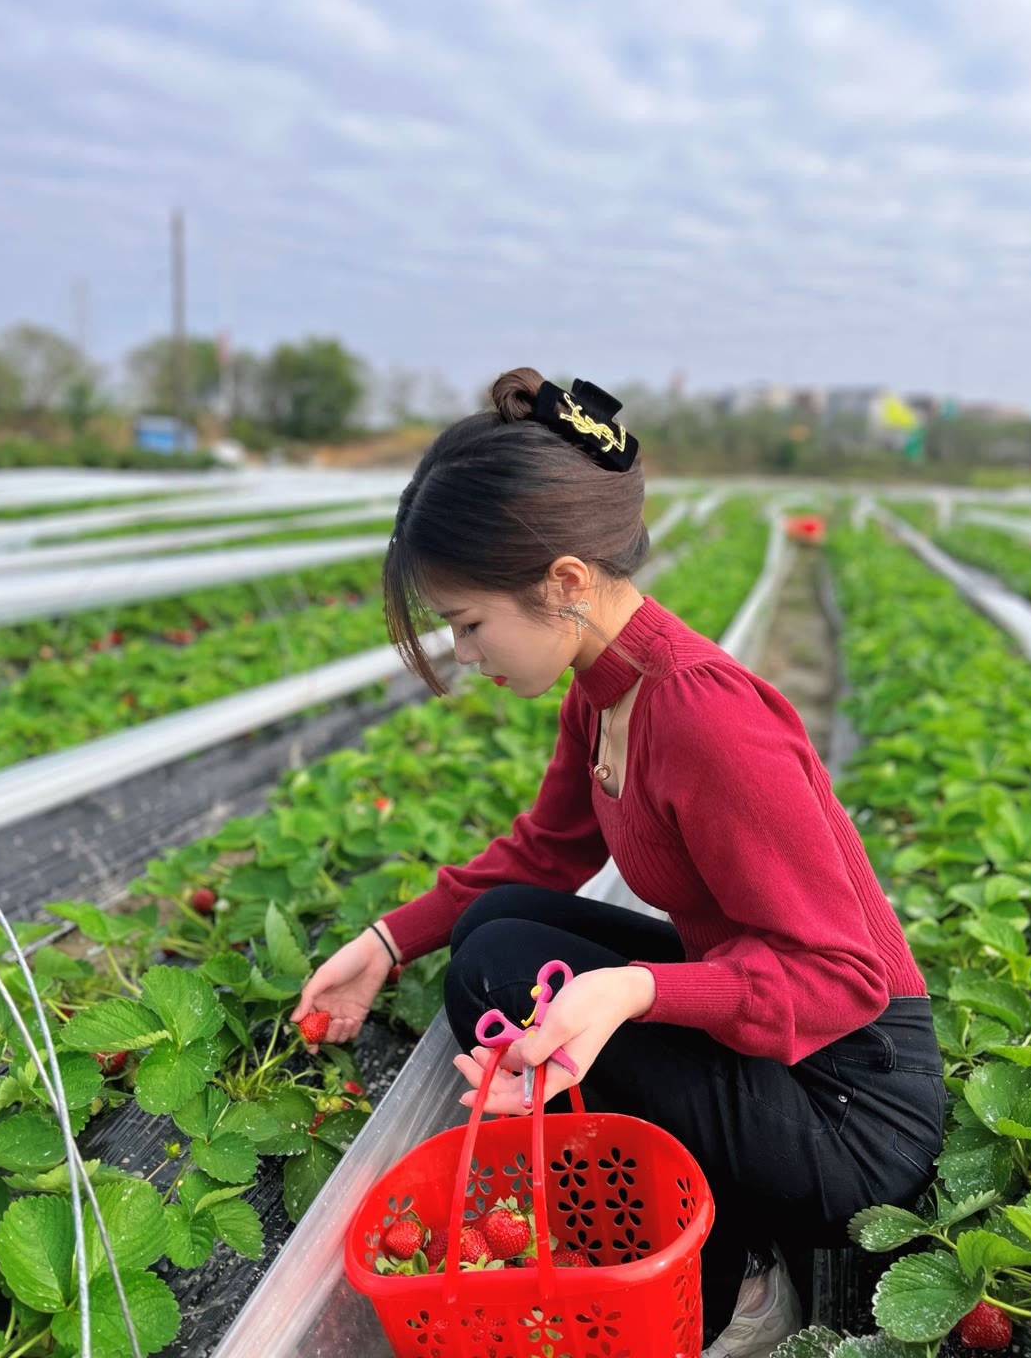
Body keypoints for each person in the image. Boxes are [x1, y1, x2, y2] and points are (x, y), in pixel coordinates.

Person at [293, 367, 945, 1357]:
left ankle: (737, 1285)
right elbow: (548, 849)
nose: (463, 652)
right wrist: (387, 941)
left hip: (850, 1103)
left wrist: (632, 991)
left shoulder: (708, 724)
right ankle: (685, 1227)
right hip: (780, 1050)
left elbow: (842, 974)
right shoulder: (603, 685)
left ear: (562, 584)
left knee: (513, 973)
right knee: (491, 937)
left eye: (468, 623)